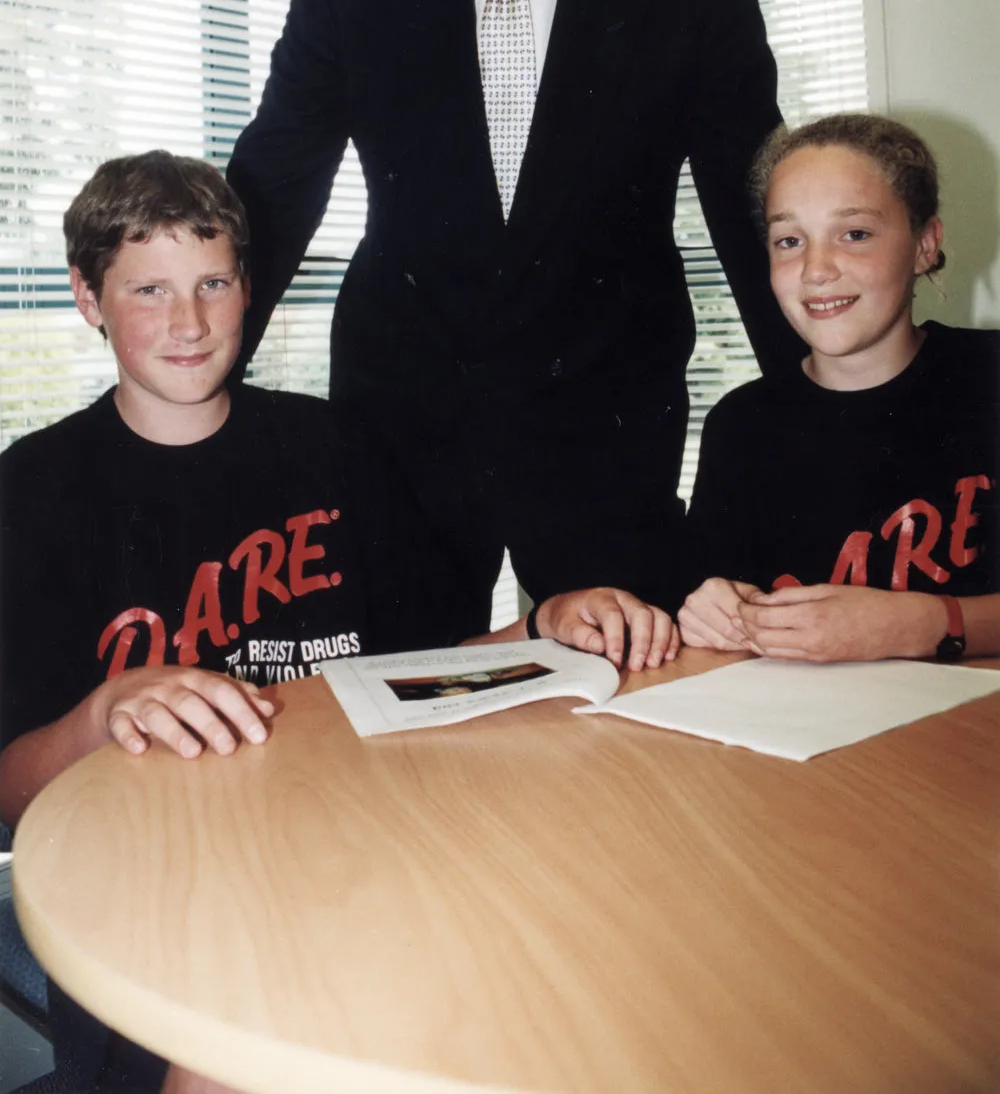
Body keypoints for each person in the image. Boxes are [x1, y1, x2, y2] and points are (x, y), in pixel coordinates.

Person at [0, 149, 676, 1094]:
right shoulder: (33, 487)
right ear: (87, 298)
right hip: (155, 886)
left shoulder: (335, 445)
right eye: (148, 289)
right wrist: (104, 708)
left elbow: (421, 670)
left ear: (248, 287)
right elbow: (13, 792)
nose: (188, 322)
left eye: (215, 282)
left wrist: (545, 627)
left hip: (358, 850)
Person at [227, 0, 800, 627]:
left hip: (608, 415)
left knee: (626, 712)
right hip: (400, 415)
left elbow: (753, 201)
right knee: (406, 716)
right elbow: (275, 182)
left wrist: (814, 399)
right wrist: (196, 369)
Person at [678, 113, 999, 662]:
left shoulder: (987, 379)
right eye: (789, 240)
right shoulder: (741, 425)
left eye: (855, 234)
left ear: (925, 244)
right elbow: (713, 599)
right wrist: (707, 608)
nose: (816, 268)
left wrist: (924, 624)